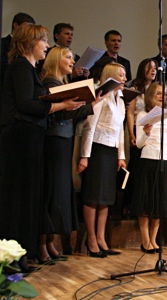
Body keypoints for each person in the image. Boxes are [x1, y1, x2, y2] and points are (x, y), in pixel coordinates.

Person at [0, 23, 83, 272]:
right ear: (29, 42)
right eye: (44, 41)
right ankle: (10, 260)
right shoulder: (19, 67)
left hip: (31, 139)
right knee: (17, 200)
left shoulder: (30, 70)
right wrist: (60, 105)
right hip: (19, 139)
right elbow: (26, 104)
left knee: (29, 199)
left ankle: (22, 257)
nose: (47, 46)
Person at [40, 46, 106, 263]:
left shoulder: (62, 83)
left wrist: (92, 103)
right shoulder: (50, 82)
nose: (72, 61)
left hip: (64, 139)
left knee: (59, 190)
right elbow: (54, 112)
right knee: (51, 190)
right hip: (53, 140)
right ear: (56, 59)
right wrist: (69, 105)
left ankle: (50, 242)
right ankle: (42, 244)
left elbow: (72, 113)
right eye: (68, 57)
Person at [78, 62, 127, 258]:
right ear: (112, 76)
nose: (125, 79)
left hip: (111, 151)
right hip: (97, 149)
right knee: (93, 196)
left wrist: (121, 155)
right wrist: (85, 156)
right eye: (121, 75)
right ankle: (90, 239)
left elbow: (120, 130)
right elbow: (90, 127)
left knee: (105, 198)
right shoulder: (102, 96)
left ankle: (101, 239)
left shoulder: (121, 100)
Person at [131, 82, 167, 254]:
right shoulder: (142, 114)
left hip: (164, 161)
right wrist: (146, 133)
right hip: (148, 160)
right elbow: (139, 144)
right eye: (158, 93)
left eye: (164, 93)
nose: (161, 96)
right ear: (150, 94)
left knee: (159, 203)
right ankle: (144, 240)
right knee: (145, 202)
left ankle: (153, 239)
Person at [122, 58, 158, 218]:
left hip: (154, 133)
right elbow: (130, 112)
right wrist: (131, 133)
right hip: (137, 130)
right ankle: (130, 204)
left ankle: (146, 205)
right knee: (135, 167)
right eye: (149, 67)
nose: (153, 70)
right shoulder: (135, 87)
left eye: (155, 68)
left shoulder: (157, 88)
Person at [1, 12, 35, 82]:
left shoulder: (30, 47)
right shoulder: (2, 43)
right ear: (16, 25)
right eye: (28, 28)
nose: (30, 32)